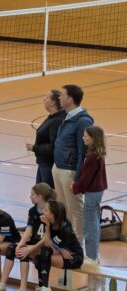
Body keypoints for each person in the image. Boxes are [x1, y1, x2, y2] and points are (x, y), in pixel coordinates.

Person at [19, 200, 84, 291]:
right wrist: (48, 227)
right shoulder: (51, 223)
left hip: (74, 257)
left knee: (44, 254)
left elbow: (49, 246)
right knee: (41, 256)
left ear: (53, 214)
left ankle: (44, 288)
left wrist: (59, 248)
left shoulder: (65, 228)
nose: (43, 211)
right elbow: (48, 243)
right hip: (60, 253)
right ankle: (42, 288)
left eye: (46, 210)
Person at [52, 84, 93, 241]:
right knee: (63, 209)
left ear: (70, 99)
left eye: (62, 95)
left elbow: (83, 152)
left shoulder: (83, 121)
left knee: (76, 210)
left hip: (70, 172)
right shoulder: (67, 116)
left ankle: (79, 244)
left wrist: (78, 178)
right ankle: (67, 240)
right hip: (59, 168)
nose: (59, 98)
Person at [5, 184, 57, 291]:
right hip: (34, 242)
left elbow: (47, 237)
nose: (30, 197)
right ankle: (20, 289)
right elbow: (28, 230)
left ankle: (43, 288)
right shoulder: (33, 210)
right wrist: (20, 244)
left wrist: (31, 248)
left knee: (41, 253)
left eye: (32, 194)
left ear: (40, 197)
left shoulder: (52, 211)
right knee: (16, 249)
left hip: (48, 245)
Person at [73, 125, 107, 265]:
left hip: (93, 192)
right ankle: (94, 254)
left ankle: (92, 257)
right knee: (93, 223)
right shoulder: (95, 153)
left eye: (86, 136)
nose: (83, 138)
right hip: (96, 191)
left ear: (93, 138)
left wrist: (75, 186)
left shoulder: (93, 156)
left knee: (89, 225)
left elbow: (86, 177)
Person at [25, 89, 66, 187]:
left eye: (47, 97)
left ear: (53, 103)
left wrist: (34, 148)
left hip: (49, 165)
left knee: (46, 196)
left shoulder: (57, 120)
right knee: (40, 194)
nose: (44, 99)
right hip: (44, 163)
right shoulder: (52, 117)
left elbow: (53, 147)